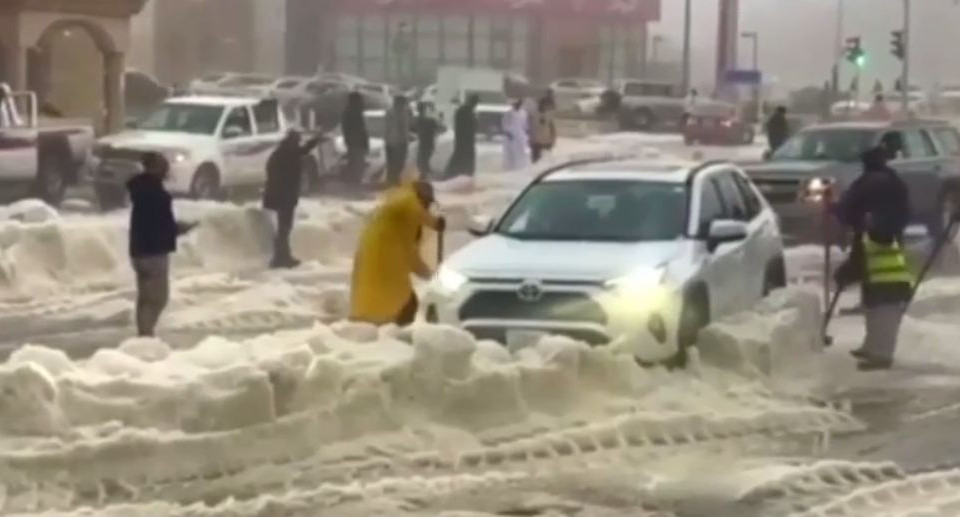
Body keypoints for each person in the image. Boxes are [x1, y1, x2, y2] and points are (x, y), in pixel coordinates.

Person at [834, 145, 912, 371]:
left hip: (873, 243)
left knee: (879, 301)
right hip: (891, 243)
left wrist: (839, 218)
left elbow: (846, 209)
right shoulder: (895, 181)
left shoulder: (866, 182)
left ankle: (880, 355)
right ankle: (872, 347)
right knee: (880, 298)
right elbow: (906, 212)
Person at [350, 180, 446, 325]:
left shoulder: (406, 221)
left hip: (383, 261)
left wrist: (431, 276)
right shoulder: (406, 199)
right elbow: (412, 207)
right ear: (421, 196)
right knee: (403, 302)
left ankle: (387, 330)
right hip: (382, 259)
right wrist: (433, 222)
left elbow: (412, 256)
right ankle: (392, 335)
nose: (427, 207)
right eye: (427, 202)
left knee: (404, 303)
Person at [127, 152, 196, 337]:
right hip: (155, 253)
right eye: (164, 167)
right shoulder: (159, 195)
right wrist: (181, 228)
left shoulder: (138, 190)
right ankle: (146, 334)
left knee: (144, 298)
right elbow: (163, 226)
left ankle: (143, 332)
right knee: (158, 299)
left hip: (138, 251)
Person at [263, 129, 320, 269]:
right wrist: (284, 192)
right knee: (284, 228)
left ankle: (283, 256)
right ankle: (280, 258)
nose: (298, 143)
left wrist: (315, 141)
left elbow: (302, 151)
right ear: (293, 141)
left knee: (284, 228)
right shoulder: (286, 154)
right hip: (283, 197)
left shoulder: (284, 152)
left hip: (283, 196)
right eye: (297, 141)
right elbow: (276, 176)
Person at [444, 94, 479, 178]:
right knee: (461, 155)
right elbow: (467, 125)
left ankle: (462, 172)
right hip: (464, 138)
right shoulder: (465, 111)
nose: (476, 105)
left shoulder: (465, 110)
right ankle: (454, 172)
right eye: (475, 102)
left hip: (465, 138)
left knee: (461, 154)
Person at [341, 91, 369, 185]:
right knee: (356, 163)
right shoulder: (352, 112)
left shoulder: (352, 111)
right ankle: (353, 182)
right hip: (356, 141)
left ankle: (354, 182)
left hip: (355, 141)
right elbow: (358, 128)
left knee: (356, 163)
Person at [384, 94, 412, 185]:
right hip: (399, 142)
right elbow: (401, 128)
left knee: (392, 163)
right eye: (404, 103)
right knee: (398, 163)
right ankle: (394, 181)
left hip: (390, 142)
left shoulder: (389, 112)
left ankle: (391, 181)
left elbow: (387, 128)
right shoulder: (401, 113)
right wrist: (406, 138)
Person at [501, 98, 530, 171]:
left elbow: (526, 125)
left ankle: (520, 167)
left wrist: (526, 133)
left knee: (521, 151)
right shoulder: (509, 113)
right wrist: (507, 133)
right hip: (510, 135)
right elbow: (504, 124)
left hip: (520, 135)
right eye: (517, 103)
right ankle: (509, 167)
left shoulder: (524, 113)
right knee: (510, 152)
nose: (518, 105)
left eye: (520, 103)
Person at [415, 102, 441, 177]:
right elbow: (437, 126)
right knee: (425, 155)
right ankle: (423, 172)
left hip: (423, 139)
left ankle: (425, 168)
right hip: (427, 139)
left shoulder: (419, 118)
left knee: (424, 154)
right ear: (424, 109)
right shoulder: (428, 119)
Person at [529, 96, 557, 163]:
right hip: (536, 142)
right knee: (535, 161)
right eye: (546, 105)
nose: (547, 108)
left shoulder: (549, 115)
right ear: (541, 104)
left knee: (547, 162)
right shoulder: (533, 115)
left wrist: (553, 140)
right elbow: (529, 128)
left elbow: (553, 128)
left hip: (547, 142)